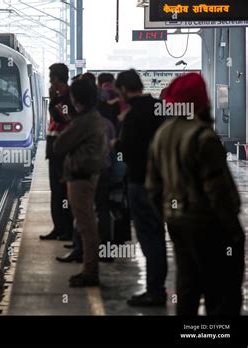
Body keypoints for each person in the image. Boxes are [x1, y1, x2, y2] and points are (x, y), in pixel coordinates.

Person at [146, 73, 245, 316]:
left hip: (177, 223)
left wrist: (168, 214)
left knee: (188, 285)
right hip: (209, 225)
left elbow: (152, 187)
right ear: (201, 101)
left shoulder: (162, 134)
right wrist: (233, 231)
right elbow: (218, 193)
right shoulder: (203, 137)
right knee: (220, 290)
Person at [114, 69, 168, 307]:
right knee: (158, 234)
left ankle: (154, 291)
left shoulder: (133, 115)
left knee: (149, 238)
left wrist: (117, 142)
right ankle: (158, 288)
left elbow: (127, 151)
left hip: (139, 182)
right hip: (161, 183)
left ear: (124, 89)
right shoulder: (159, 108)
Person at [54, 78, 107, 287]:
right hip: (85, 175)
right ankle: (89, 267)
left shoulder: (85, 120)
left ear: (77, 98)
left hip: (81, 176)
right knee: (86, 223)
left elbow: (60, 145)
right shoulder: (92, 117)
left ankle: (90, 271)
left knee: (86, 225)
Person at [40, 64, 75, 241]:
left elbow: (64, 117)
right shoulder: (61, 97)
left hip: (64, 151)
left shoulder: (68, 97)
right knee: (56, 192)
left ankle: (67, 229)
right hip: (55, 151)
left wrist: (53, 101)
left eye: (51, 78)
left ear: (57, 78)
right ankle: (58, 227)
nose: (49, 81)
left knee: (64, 192)